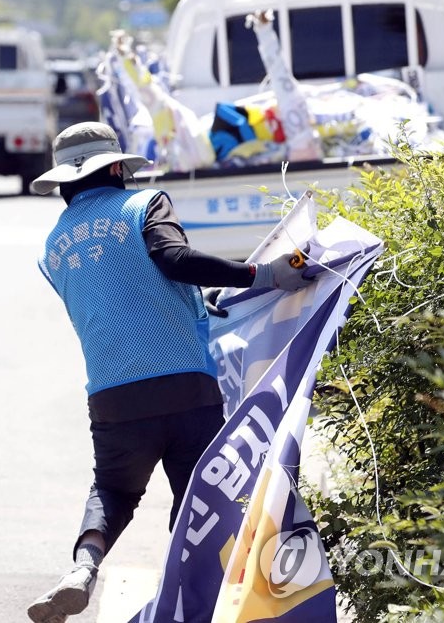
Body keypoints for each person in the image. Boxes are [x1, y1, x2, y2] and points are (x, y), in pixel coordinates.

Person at [27, 122, 314, 622]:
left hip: (113, 398)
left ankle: (83, 568)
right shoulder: (144, 205)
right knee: (198, 502)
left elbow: (117, 297)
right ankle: (192, 603)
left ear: (63, 183)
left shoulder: (51, 251)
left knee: (113, 491)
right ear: (117, 168)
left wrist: (199, 301)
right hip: (185, 386)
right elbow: (173, 259)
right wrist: (262, 275)